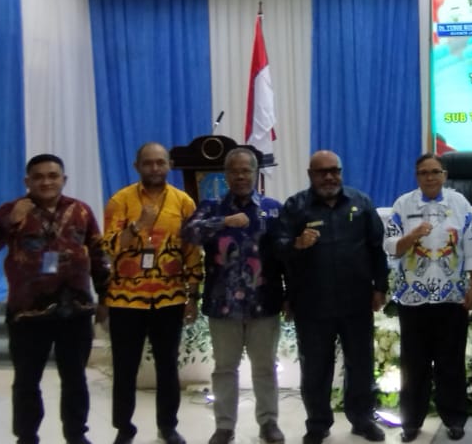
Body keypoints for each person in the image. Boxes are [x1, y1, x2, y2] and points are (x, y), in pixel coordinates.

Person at [0, 154, 110, 444]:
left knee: (75, 379)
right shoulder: (13, 209)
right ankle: (27, 437)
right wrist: (10, 221)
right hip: (27, 312)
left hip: (75, 309)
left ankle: (76, 435)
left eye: (53, 176)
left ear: (64, 179)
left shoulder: (81, 211)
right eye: (38, 177)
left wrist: (104, 297)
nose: (46, 182)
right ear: (27, 181)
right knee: (26, 380)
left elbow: (99, 254)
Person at [272, 150, 389, 444]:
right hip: (312, 302)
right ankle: (318, 424)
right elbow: (277, 248)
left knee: (361, 364)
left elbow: (377, 247)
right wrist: (297, 243)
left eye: (334, 170)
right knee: (315, 368)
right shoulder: (296, 206)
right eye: (322, 172)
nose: (329, 177)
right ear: (310, 175)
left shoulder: (361, 202)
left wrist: (380, 287)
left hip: (357, 300)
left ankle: (362, 419)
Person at [180, 148, 286, 444]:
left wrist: (290, 296)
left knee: (265, 368)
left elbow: (285, 255)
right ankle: (224, 426)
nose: (240, 176)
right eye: (234, 171)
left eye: (246, 170)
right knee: (225, 369)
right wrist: (224, 222)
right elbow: (188, 233)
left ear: (255, 173)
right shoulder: (212, 207)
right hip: (223, 305)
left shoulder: (273, 209)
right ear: (226, 175)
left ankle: (269, 422)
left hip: (264, 303)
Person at [101, 142, 202, 444]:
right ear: (137, 167)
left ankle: (168, 427)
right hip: (125, 300)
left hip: (169, 298)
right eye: (148, 163)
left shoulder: (183, 202)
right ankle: (124, 428)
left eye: (160, 162)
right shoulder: (120, 201)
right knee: (125, 367)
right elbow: (109, 247)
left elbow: (192, 251)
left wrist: (193, 296)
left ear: (169, 165)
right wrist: (138, 226)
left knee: (167, 366)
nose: (155, 168)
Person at [385, 153, 472, 442]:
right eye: (423, 172)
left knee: (450, 363)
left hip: (451, 297)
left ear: (444, 175)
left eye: (435, 172)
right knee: (413, 365)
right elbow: (390, 246)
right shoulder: (403, 205)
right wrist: (413, 235)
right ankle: (411, 422)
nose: (430, 177)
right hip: (413, 298)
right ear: (417, 176)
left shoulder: (459, 203)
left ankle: (454, 419)